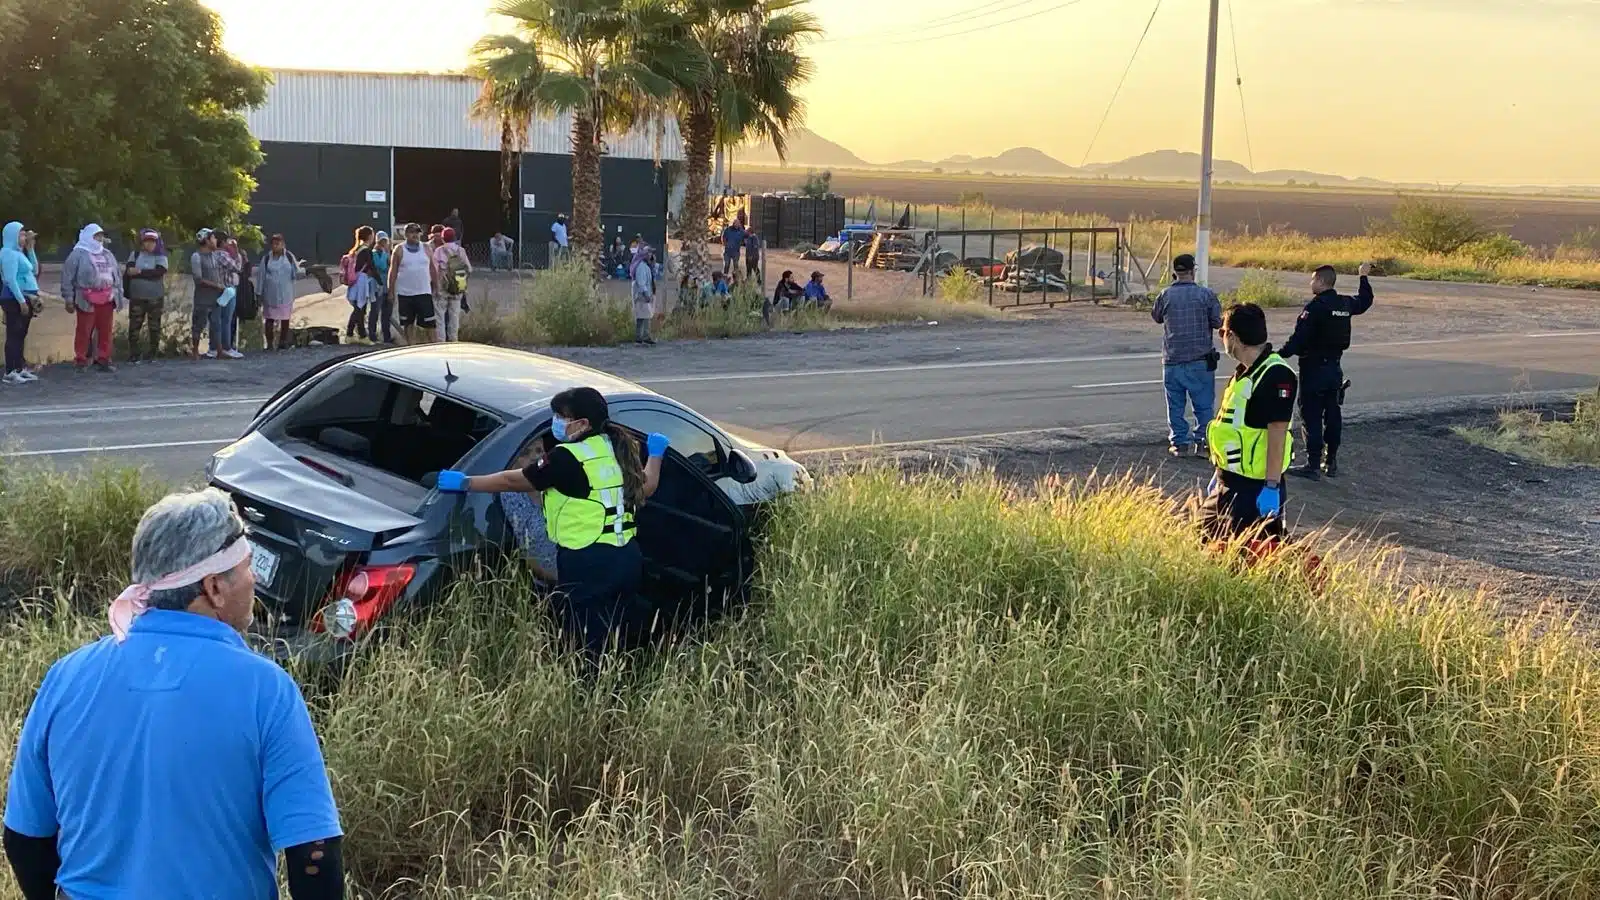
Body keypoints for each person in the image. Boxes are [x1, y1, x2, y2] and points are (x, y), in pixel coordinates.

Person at [1, 489, 344, 899]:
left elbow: (23, 839)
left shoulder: (66, 678)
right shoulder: (266, 691)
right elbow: (314, 853)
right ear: (214, 587)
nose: (253, 580)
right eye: (247, 565)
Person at [434, 387, 669, 656]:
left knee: (585, 640)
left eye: (561, 416)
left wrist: (466, 482)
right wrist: (656, 455)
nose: (556, 422)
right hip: (626, 558)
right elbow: (646, 487)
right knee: (614, 632)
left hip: (588, 560)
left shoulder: (567, 457)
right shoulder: (614, 447)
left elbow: (515, 480)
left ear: (582, 423)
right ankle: (612, 685)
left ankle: (590, 690)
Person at [1199, 302, 1297, 541]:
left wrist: (1271, 487)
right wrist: (1220, 472)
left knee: (1244, 555)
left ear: (1233, 336)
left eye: (1222, 332)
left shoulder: (1276, 375)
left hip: (1253, 488)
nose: (1221, 337)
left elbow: (1278, 434)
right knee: (1205, 539)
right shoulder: (1244, 372)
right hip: (1228, 480)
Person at [1280, 262, 1375, 480]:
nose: (1310, 283)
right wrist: (1363, 277)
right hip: (1334, 369)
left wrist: (1279, 354)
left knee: (1310, 414)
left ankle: (1313, 464)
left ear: (1321, 282)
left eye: (1313, 279)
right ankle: (1331, 461)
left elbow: (1299, 339)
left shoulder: (1315, 307)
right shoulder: (1344, 303)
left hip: (1313, 369)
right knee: (1332, 415)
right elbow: (1365, 301)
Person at [1150, 253, 1223, 456]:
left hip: (1172, 359)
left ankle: (1180, 443)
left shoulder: (1165, 295)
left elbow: (1156, 317)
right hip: (1200, 359)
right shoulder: (1206, 295)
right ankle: (1203, 443)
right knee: (1203, 406)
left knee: (1175, 405)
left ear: (1175, 272)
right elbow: (1217, 322)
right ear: (1193, 271)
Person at [60, 223, 122, 373]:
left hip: (107, 296)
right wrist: (68, 297)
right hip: (86, 298)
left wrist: (118, 294)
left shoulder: (107, 254)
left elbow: (117, 275)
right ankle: (81, 359)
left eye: (101, 236)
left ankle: (103, 359)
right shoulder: (78, 254)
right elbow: (67, 277)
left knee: (105, 330)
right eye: (96, 236)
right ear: (88, 236)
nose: (99, 239)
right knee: (84, 329)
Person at [500, 440, 560, 585]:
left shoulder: (557, 488)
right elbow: (521, 550)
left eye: (539, 451)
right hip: (542, 585)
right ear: (512, 462)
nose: (534, 457)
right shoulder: (510, 496)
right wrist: (555, 579)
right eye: (525, 453)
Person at [120, 229, 169, 364]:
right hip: (137, 297)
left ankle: (153, 353)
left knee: (154, 326)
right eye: (147, 241)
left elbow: (158, 272)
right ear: (142, 242)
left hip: (155, 297)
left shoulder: (160, 256)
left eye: (152, 241)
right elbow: (129, 271)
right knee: (134, 325)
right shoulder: (135, 255)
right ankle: (134, 353)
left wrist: (140, 272)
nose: (150, 244)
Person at [1, 222, 42, 384]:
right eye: (22, 235)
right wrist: (21, 301)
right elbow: (10, 279)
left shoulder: (19, 253)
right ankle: (10, 371)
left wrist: (31, 249)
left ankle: (19, 367)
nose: (24, 238)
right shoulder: (8, 253)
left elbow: (34, 270)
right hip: (14, 298)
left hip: (27, 296)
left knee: (21, 333)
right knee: (14, 334)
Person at [388, 222, 438, 344]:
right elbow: (393, 271)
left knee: (430, 324)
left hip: (423, 292)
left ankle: (434, 348)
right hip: (405, 293)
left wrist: (436, 286)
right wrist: (391, 291)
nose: (415, 235)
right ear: (405, 234)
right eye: (411, 232)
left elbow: (432, 268)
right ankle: (411, 347)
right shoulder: (399, 250)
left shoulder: (426, 248)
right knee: (408, 324)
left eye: (417, 232)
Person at [189, 228, 230, 359]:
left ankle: (219, 351)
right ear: (206, 240)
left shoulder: (214, 255)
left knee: (216, 324)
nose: (215, 241)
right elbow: (198, 279)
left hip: (216, 297)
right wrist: (217, 285)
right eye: (212, 238)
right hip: (202, 298)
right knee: (198, 324)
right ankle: (195, 351)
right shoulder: (196, 257)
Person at [257, 233, 300, 350]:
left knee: (285, 318)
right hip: (270, 294)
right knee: (269, 318)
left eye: (278, 244)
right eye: (274, 244)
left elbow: (297, 271)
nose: (276, 246)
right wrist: (259, 293)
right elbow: (261, 276)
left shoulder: (289, 257)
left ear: (283, 244)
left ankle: (283, 342)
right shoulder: (266, 259)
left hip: (285, 293)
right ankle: (270, 344)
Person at [433, 226, 471, 342]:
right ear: (455, 238)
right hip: (457, 289)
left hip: (442, 289)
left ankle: (441, 342)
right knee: (454, 317)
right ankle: (454, 341)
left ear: (443, 238)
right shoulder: (461, 251)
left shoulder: (439, 251)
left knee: (440, 318)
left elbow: (434, 270)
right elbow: (469, 269)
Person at [344, 226, 379, 341]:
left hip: (355, 280)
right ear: (370, 236)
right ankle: (356, 335)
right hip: (361, 281)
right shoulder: (366, 250)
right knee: (360, 308)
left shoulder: (356, 250)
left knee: (359, 308)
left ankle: (357, 334)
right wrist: (381, 282)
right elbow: (371, 267)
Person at [214, 233, 245, 359]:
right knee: (226, 319)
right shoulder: (222, 254)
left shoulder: (212, 254)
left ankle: (217, 347)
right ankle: (226, 347)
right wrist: (237, 252)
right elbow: (237, 267)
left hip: (219, 288)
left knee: (218, 319)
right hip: (227, 289)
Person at [367, 231, 394, 343]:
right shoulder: (372, 254)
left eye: (385, 241)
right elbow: (374, 268)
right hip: (376, 285)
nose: (383, 243)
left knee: (386, 312)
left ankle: (386, 336)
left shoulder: (387, 254)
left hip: (386, 284)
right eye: (381, 241)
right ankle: (372, 334)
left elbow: (391, 267)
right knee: (375, 310)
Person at [631, 246, 656, 345]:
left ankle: (639, 337)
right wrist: (646, 294)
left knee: (641, 316)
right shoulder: (641, 267)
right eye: (648, 253)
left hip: (642, 294)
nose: (650, 255)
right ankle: (645, 336)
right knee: (646, 315)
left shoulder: (645, 266)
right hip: (642, 295)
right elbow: (641, 283)